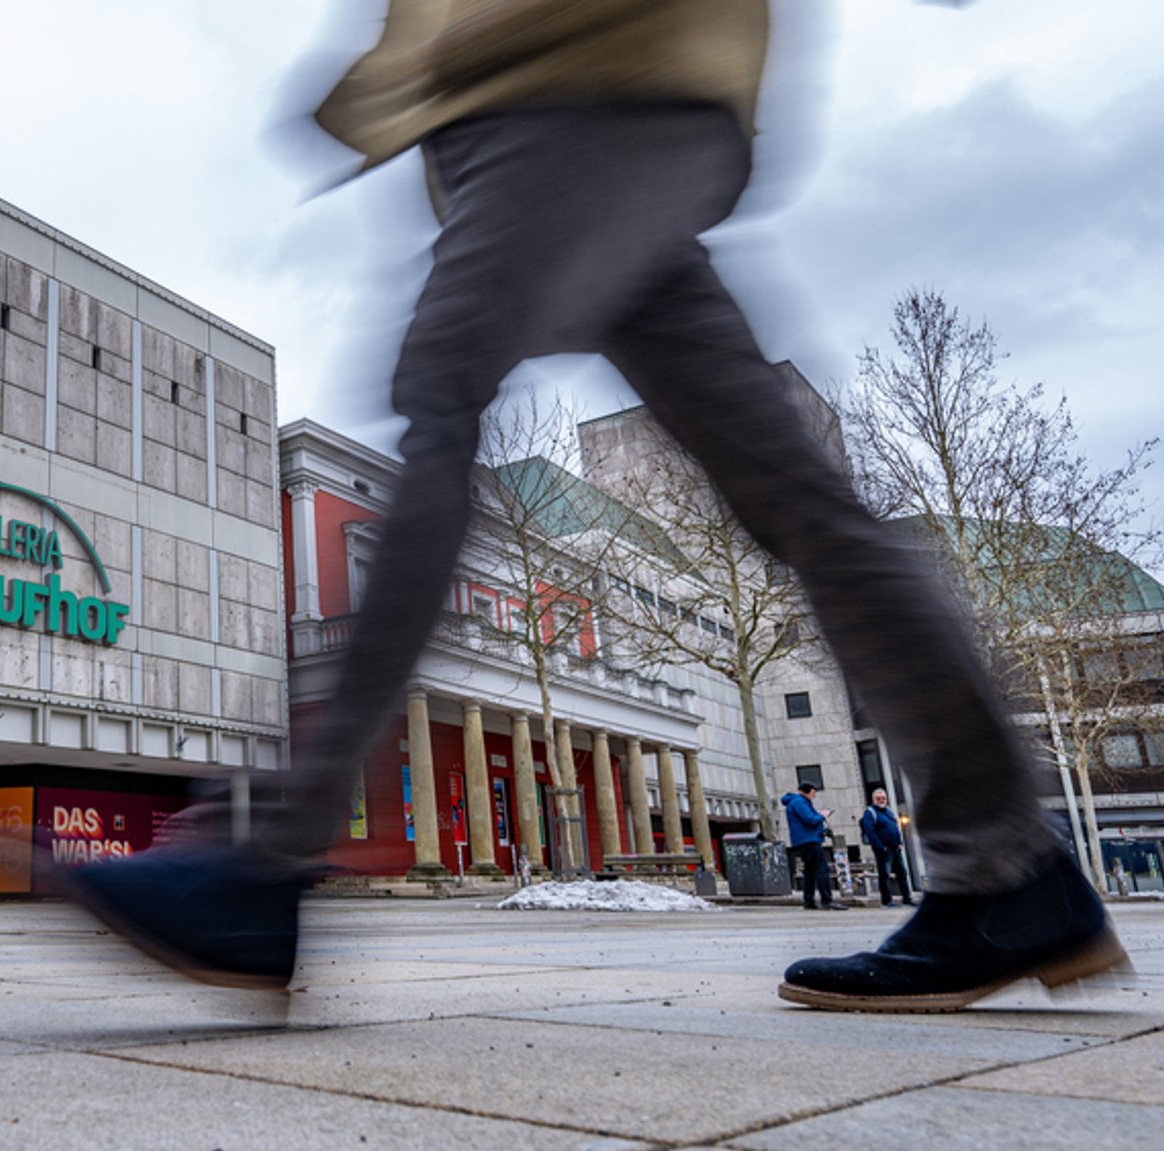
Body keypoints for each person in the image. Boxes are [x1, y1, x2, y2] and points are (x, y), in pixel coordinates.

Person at [66, 0, 1125, 1013]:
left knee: (439, 409)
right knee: (802, 502)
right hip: (596, 105)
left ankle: (263, 864)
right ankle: (1003, 871)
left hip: (572, 95)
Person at [782, 783, 845, 911]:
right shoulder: (800, 802)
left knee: (810, 872)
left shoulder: (795, 802)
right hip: (809, 841)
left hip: (803, 841)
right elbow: (810, 819)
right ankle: (827, 900)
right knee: (821, 870)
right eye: (814, 793)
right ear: (809, 791)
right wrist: (823, 815)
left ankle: (809, 901)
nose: (814, 796)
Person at [860, 789, 916, 908]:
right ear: (873, 800)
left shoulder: (889, 812)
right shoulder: (870, 813)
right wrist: (881, 847)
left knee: (902, 874)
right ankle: (886, 901)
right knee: (885, 875)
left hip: (895, 848)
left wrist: (900, 843)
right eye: (878, 798)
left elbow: (895, 828)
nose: (881, 800)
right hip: (883, 850)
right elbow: (870, 832)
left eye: (883, 798)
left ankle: (907, 898)